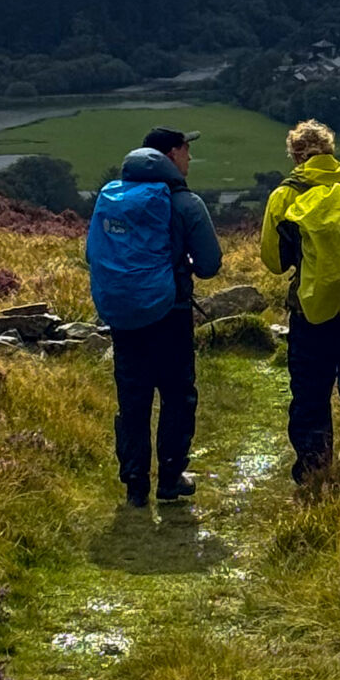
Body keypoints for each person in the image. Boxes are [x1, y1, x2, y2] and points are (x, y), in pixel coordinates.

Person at [85, 125, 222, 508]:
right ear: (172, 155)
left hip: (123, 316)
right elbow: (210, 264)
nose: (190, 158)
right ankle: (171, 478)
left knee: (133, 399)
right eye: (186, 150)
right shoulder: (186, 203)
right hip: (170, 314)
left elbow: (91, 254)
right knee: (177, 396)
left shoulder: (112, 197)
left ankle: (134, 485)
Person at [260, 120, 340, 482]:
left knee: (310, 392)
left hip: (311, 307)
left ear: (297, 156)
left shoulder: (286, 196)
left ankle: (314, 469)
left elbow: (274, 261)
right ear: (331, 152)